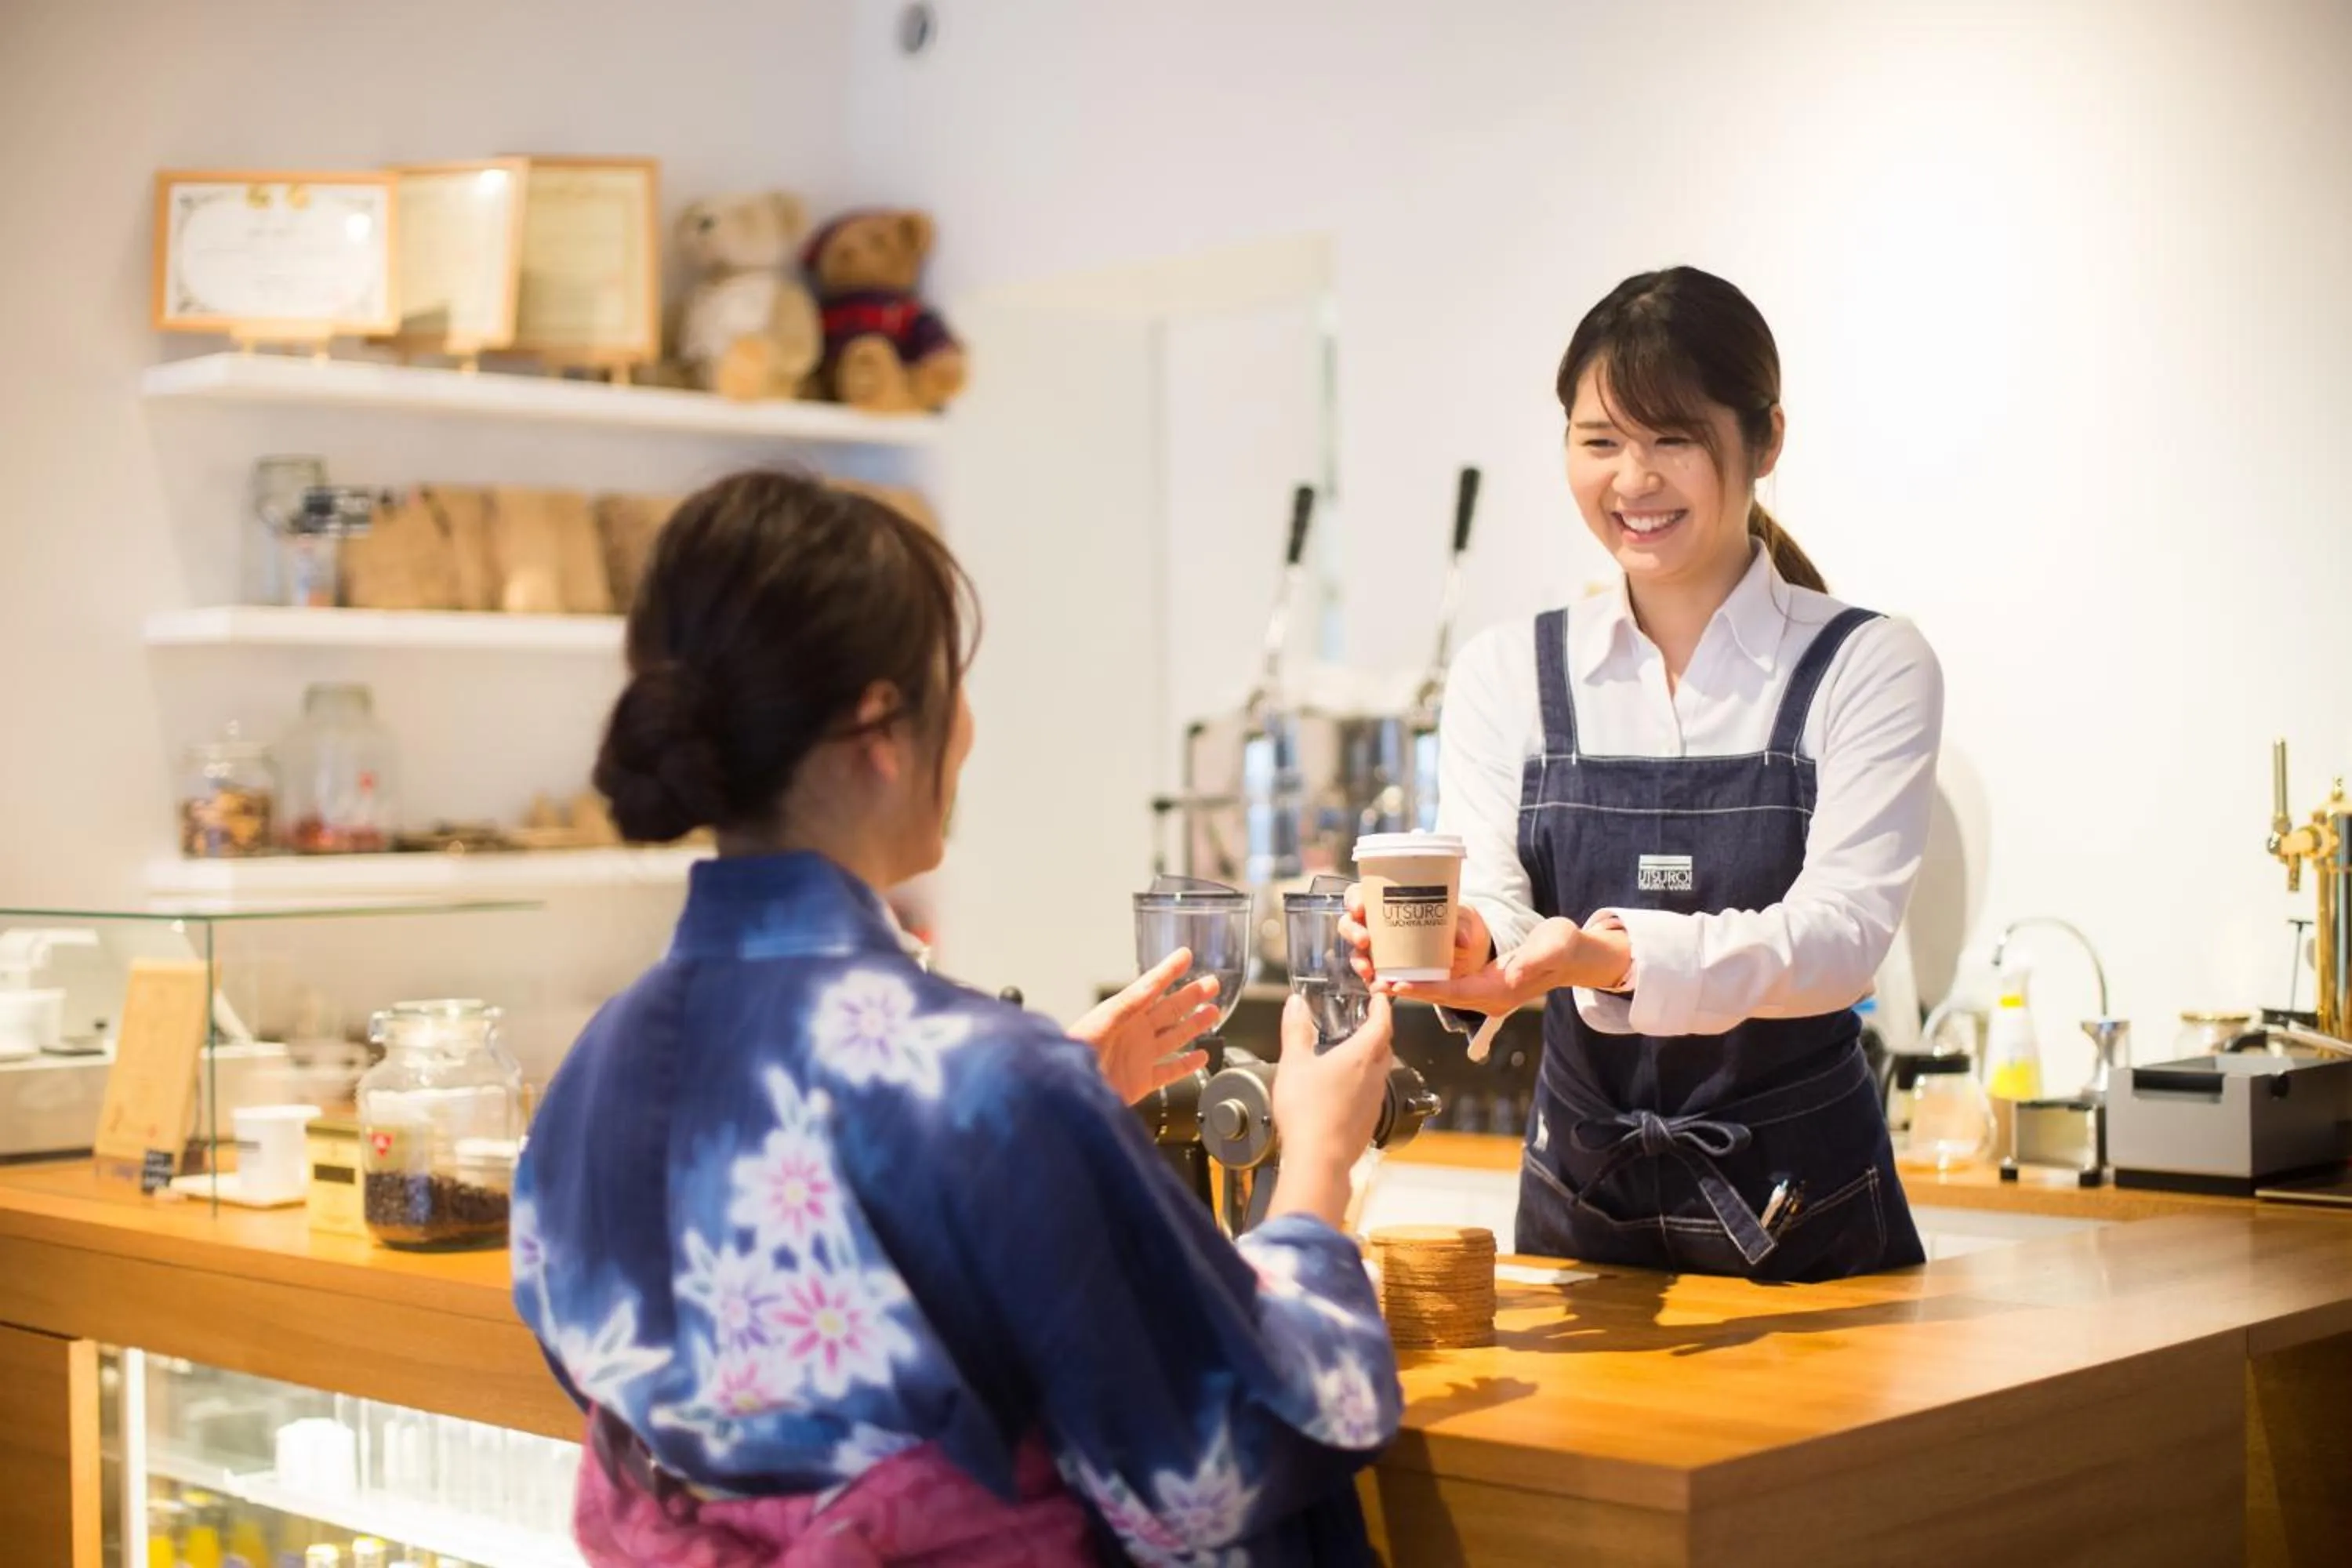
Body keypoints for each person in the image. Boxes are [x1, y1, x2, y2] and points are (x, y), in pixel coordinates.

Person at [513, 470, 1403, 1564]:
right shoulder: (986, 1089)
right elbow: (1213, 1464)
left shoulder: (597, 1067)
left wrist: (1051, 1118)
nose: (968, 728)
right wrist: (1315, 1169)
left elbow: (653, 1366)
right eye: (956, 685)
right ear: (882, 726)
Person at [1348, 267, 1943, 1283]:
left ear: (1765, 441)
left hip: (1806, 1215)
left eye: (1672, 438)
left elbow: (1840, 942)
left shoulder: (1868, 663)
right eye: (1599, 442)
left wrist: (1616, 956)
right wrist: (1473, 935)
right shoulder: (1509, 670)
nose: (1633, 479)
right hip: (1582, 1207)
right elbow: (1497, 890)